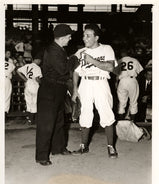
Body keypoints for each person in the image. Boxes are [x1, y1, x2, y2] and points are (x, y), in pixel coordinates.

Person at [71, 24, 118, 158]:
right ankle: (83, 146)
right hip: (85, 83)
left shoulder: (106, 48)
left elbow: (110, 67)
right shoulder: (80, 52)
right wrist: (75, 89)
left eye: (88, 35)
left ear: (96, 37)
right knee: (85, 113)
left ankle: (111, 146)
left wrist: (91, 60)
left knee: (106, 112)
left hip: (100, 82)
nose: (84, 38)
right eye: (84, 35)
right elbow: (75, 72)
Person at [36, 24, 77, 166]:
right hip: (49, 88)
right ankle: (42, 156)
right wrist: (75, 58)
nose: (70, 38)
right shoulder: (53, 50)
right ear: (62, 37)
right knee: (46, 123)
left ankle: (58, 148)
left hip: (58, 88)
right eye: (69, 36)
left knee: (59, 121)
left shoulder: (59, 49)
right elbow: (63, 70)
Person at [116, 49, 143, 122]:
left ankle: (121, 122)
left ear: (121, 53)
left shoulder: (119, 61)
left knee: (122, 102)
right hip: (132, 79)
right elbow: (140, 73)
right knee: (133, 102)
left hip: (122, 80)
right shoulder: (134, 60)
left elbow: (116, 74)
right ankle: (132, 122)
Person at [17, 57, 42, 125]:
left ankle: (29, 120)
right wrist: (41, 83)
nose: (40, 62)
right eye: (39, 60)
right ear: (36, 59)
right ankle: (34, 120)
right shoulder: (37, 67)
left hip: (28, 84)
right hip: (34, 84)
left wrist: (25, 79)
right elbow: (37, 79)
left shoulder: (27, 65)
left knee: (28, 102)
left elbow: (18, 71)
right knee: (35, 102)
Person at [5, 49, 15, 118]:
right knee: (6, 96)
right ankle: (4, 113)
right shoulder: (10, 63)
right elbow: (14, 73)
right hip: (6, 80)